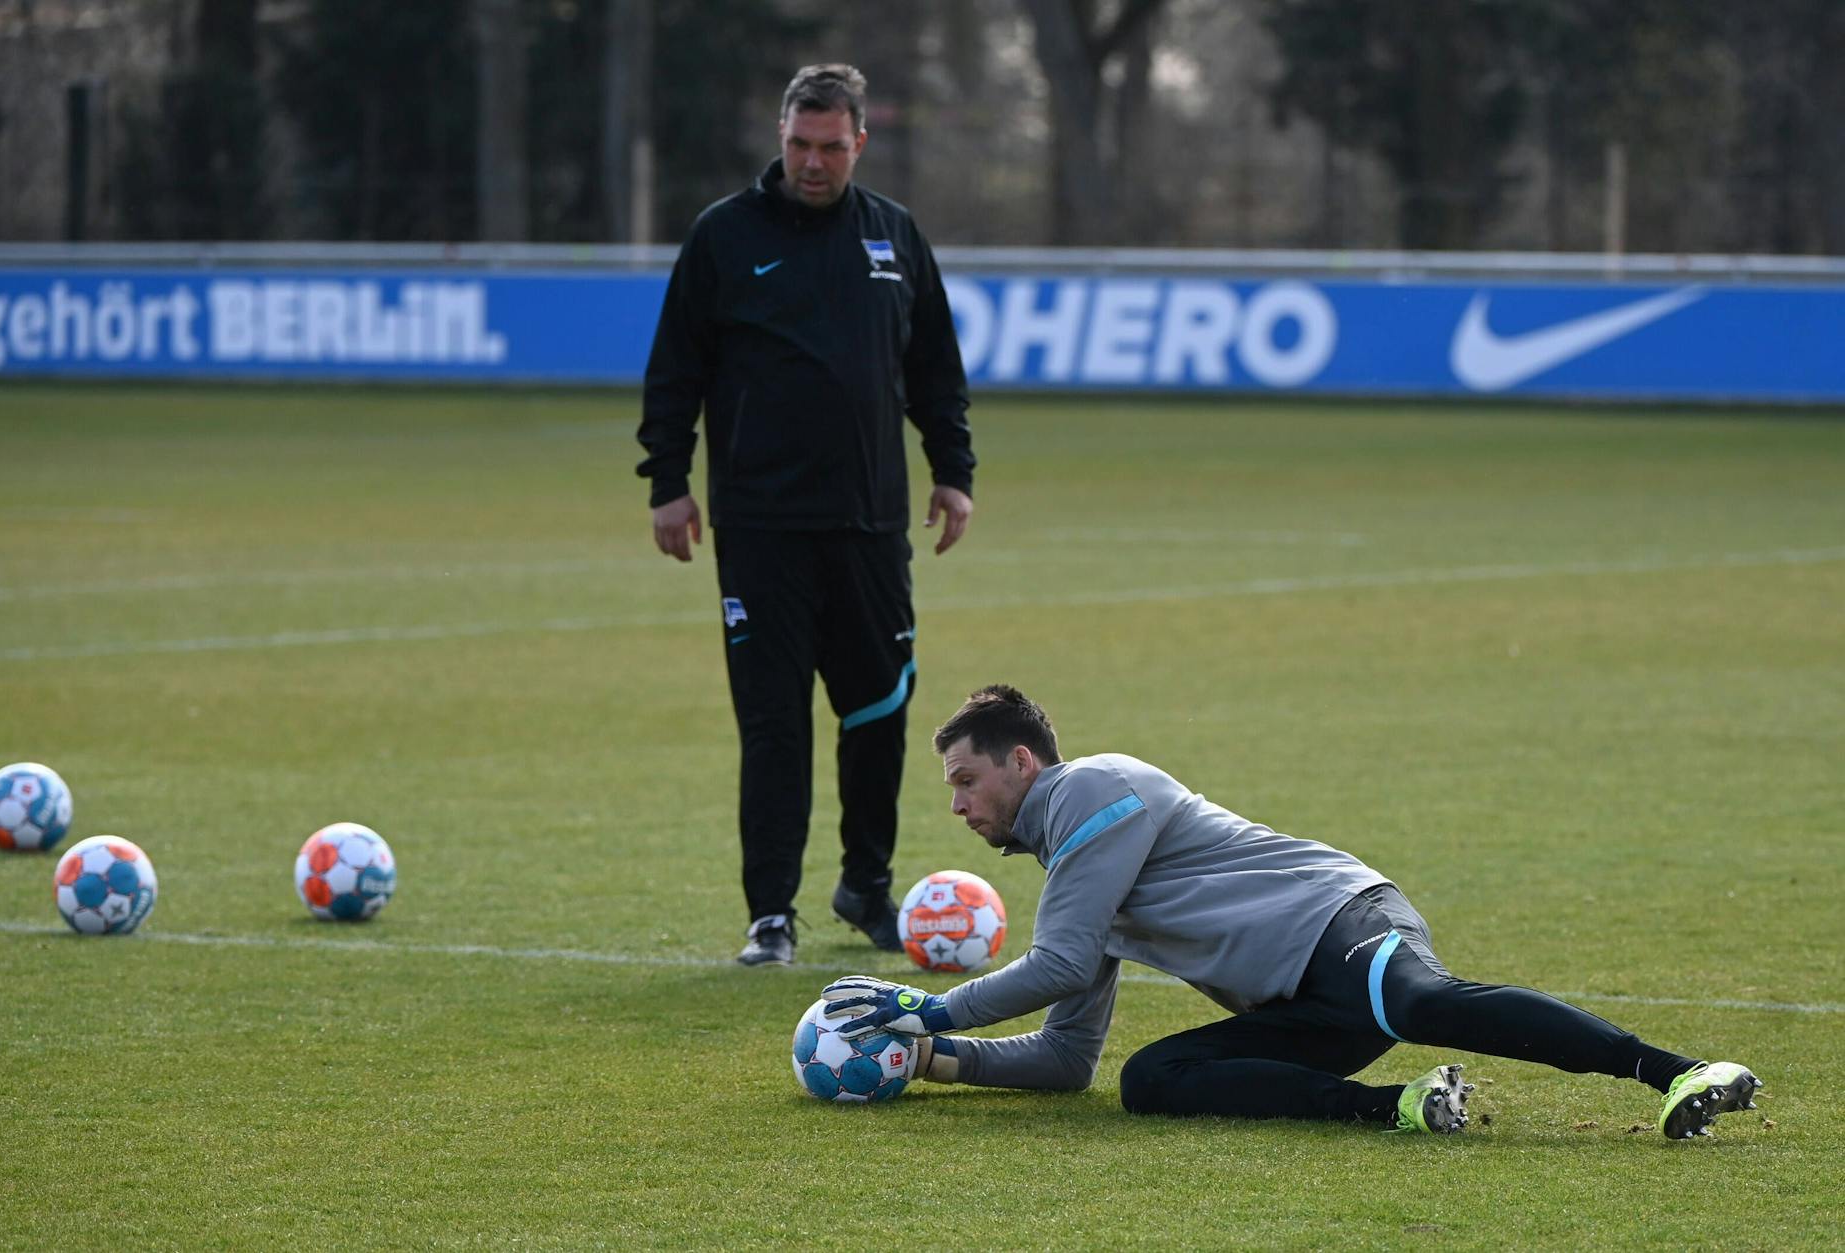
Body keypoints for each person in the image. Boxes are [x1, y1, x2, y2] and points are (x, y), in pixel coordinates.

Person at [822, 685, 1761, 1139]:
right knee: (1153, 1078)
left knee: (1424, 1002)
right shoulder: (1077, 869)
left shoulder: (1092, 790)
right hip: (1304, 1004)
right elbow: (1070, 1059)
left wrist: (929, 1006)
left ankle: (1676, 1072)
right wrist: (933, 1058)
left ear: (1022, 762)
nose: (957, 806)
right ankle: (1397, 1107)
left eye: (965, 779)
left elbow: (1060, 965)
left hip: (1341, 917)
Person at [637, 64, 976, 967]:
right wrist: (668, 480)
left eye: (831, 147)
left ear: (859, 143)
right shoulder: (724, 237)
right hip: (760, 533)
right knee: (775, 724)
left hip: (869, 527)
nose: (813, 162)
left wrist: (953, 472)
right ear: (780, 137)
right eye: (798, 144)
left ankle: (866, 883)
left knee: (877, 715)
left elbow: (935, 370)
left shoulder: (895, 237)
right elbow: (675, 370)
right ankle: (771, 914)